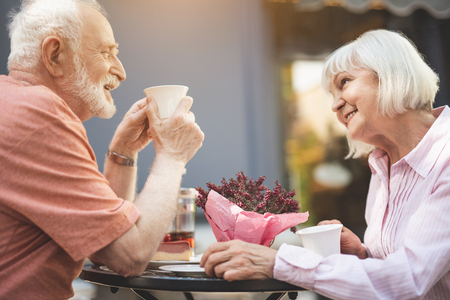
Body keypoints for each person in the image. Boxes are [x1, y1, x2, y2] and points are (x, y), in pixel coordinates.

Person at [200, 29, 450, 299]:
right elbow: (393, 276)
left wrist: (275, 263)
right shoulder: (382, 166)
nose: (334, 104)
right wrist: (362, 256)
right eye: (332, 94)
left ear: (391, 74)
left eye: (344, 82)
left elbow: (409, 278)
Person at [0, 0, 204, 299]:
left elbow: (104, 245)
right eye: (107, 52)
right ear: (54, 54)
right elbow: (130, 255)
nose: (121, 72)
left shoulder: (12, 104)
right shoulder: (39, 114)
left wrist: (124, 152)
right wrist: (172, 156)